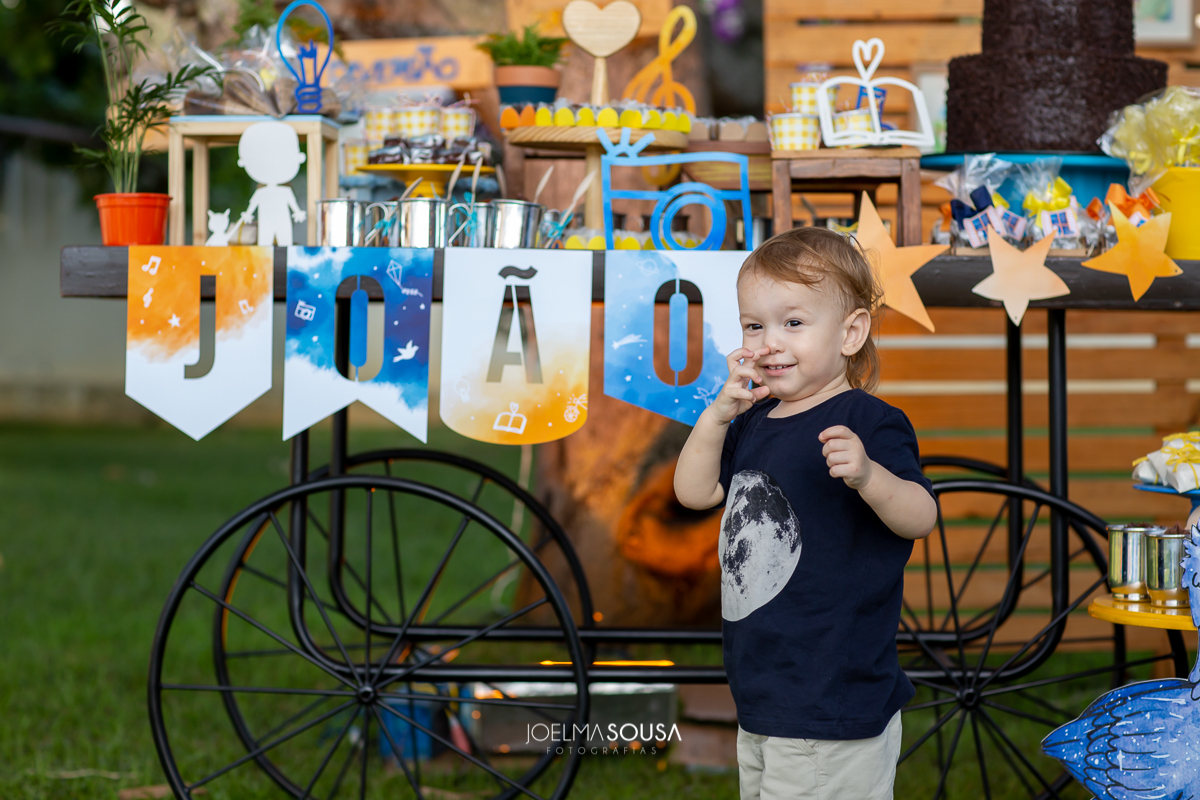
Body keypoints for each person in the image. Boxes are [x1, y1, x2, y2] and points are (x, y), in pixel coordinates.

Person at [674, 227, 938, 800]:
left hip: (832, 695)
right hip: (766, 689)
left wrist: (870, 476)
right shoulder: (750, 421)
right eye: (753, 324)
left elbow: (920, 516)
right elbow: (694, 493)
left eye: (793, 323)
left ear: (850, 333)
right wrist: (717, 415)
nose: (770, 341)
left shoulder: (869, 422)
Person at [237, 121, 307, 246]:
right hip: (267, 223)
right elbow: (253, 204)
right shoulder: (263, 192)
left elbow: (292, 203)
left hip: (281, 222)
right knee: (266, 240)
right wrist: (248, 214)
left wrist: (297, 211)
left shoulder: (283, 191)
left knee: (283, 240)